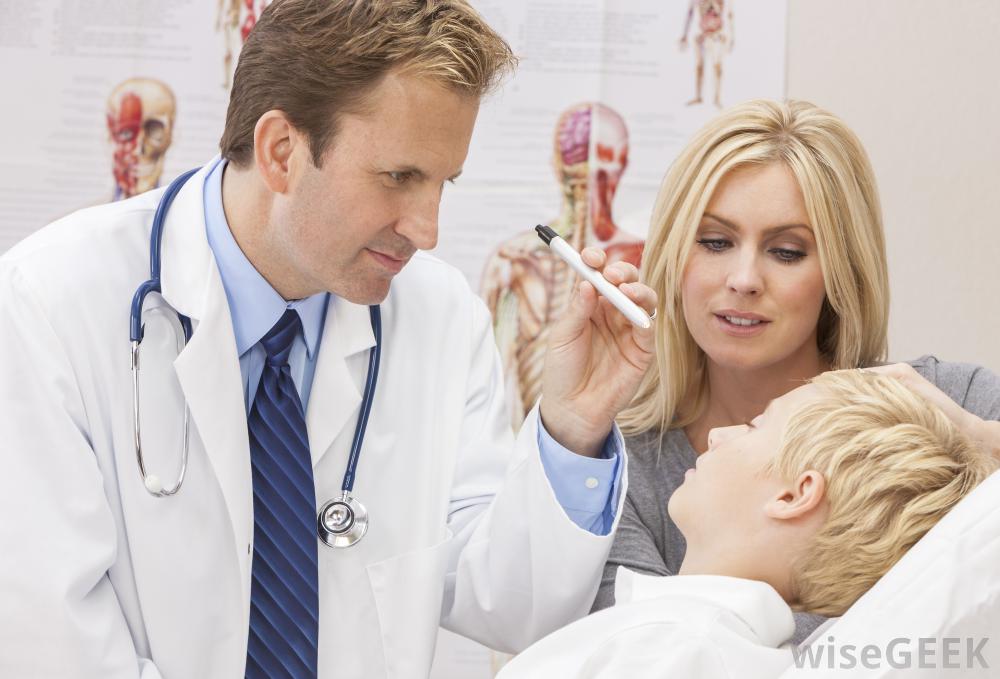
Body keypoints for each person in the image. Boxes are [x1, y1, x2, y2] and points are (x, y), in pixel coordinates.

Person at [0, 2, 658, 678]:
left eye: (443, 183)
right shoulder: (48, 305)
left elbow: (506, 601)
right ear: (281, 152)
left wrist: (573, 426)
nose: (428, 229)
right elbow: (53, 643)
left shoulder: (440, 318)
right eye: (399, 177)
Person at [590, 99, 1000, 643]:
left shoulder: (958, 402)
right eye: (715, 242)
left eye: (786, 252)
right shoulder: (618, 466)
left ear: (841, 271)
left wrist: (976, 440)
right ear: (672, 252)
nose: (743, 279)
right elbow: (634, 650)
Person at [499, 370, 1000, 678]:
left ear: (793, 495)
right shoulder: (708, 646)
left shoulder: (678, 647)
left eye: (756, 426)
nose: (718, 434)